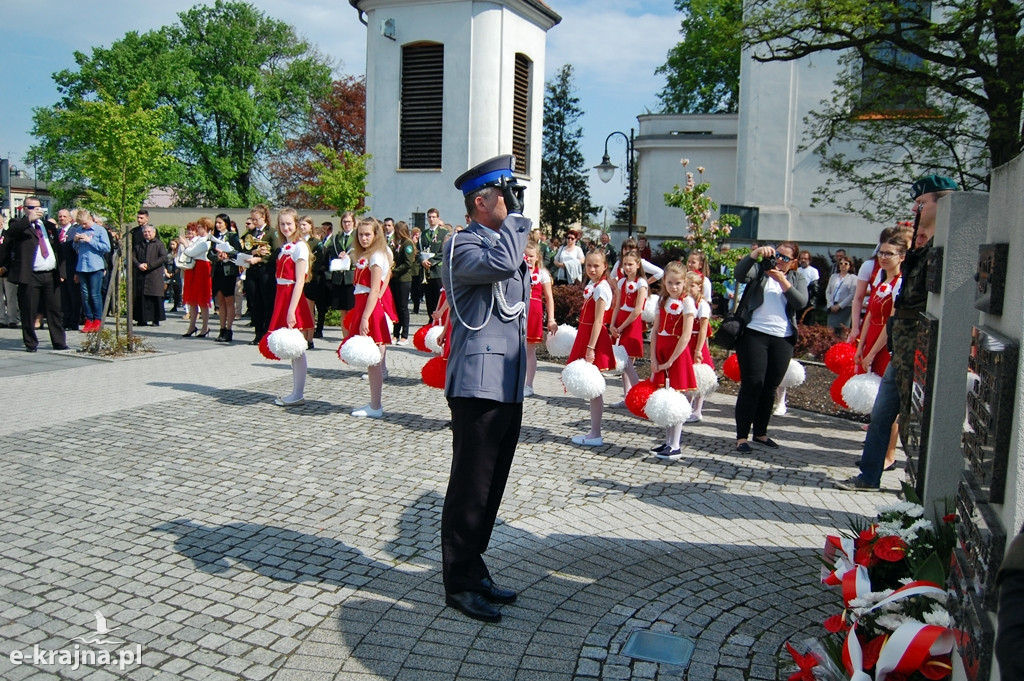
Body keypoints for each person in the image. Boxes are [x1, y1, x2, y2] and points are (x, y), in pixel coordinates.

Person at [440, 154, 530, 623]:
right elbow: (502, 264)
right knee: (470, 487)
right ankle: (458, 583)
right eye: (506, 194)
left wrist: (510, 224)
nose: (513, 203)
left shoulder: (500, 242)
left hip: (506, 383)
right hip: (477, 385)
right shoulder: (462, 245)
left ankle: (475, 570)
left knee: (491, 486)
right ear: (481, 201)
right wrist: (515, 222)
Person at [836, 175, 958, 491]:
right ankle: (869, 476)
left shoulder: (946, 244)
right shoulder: (926, 246)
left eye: (923, 202)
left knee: (914, 422)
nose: (917, 209)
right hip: (902, 348)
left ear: (941, 203)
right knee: (881, 416)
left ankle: (922, 488)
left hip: (918, 346)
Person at [732, 242, 808, 453]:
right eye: (776, 255)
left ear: (793, 262)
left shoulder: (796, 278)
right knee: (752, 384)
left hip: (782, 338)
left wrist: (782, 280)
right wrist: (754, 254)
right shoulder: (760, 270)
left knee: (770, 387)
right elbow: (740, 275)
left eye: (785, 258)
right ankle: (741, 437)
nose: (778, 260)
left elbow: (801, 302)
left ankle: (761, 433)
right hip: (754, 333)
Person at [1, 197, 68, 352]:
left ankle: (59, 342)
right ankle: (31, 343)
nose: (37, 210)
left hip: (50, 274)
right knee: (28, 310)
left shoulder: (49, 226)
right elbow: (10, 235)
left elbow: (59, 251)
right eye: (32, 207)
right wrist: (28, 220)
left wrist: (62, 272)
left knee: (55, 310)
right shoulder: (19, 226)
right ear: (24, 208)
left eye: (39, 207)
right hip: (30, 275)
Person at [342, 217, 393, 418]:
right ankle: (374, 402)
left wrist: (364, 317)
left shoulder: (377, 257)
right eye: (361, 234)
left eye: (367, 234)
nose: (363, 238)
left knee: (374, 360)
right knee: (372, 361)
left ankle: (376, 404)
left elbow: (374, 290)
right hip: (363, 305)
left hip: (369, 308)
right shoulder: (366, 255)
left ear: (376, 235)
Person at [263, 207, 313, 407]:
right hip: (282, 295)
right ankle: (295, 391)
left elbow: (300, 280)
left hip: (293, 297)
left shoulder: (300, 247)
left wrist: (292, 309)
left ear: (296, 223)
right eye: (282, 224)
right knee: (293, 350)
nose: (285, 227)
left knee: (297, 348)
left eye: (289, 224)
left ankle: (298, 393)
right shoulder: (285, 247)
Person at [566, 249, 616, 446]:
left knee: (595, 387)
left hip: (593, 338)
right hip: (587, 334)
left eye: (596, 265)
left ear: (605, 266)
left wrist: (590, 347)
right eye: (588, 265)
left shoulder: (602, 288)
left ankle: (595, 433)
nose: (592, 269)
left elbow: (598, 321)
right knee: (593, 388)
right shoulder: (594, 285)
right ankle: (594, 431)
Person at [649, 261, 697, 459]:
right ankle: (668, 441)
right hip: (661, 353)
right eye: (670, 283)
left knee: (676, 399)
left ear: (684, 282)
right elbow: (655, 331)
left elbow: (686, 336)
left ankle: (675, 444)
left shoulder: (688, 302)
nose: (673, 287)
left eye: (677, 283)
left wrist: (671, 360)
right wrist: (652, 357)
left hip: (677, 356)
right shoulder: (662, 302)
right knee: (666, 398)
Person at [608, 250, 648, 409]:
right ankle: (627, 397)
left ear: (638, 265)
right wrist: (612, 324)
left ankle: (640, 395)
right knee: (623, 364)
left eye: (630, 264)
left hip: (631, 323)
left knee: (628, 363)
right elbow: (617, 305)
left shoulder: (641, 283)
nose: (627, 267)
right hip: (620, 321)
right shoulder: (622, 282)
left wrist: (622, 326)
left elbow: (638, 310)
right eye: (625, 264)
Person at [68, 210, 111, 333]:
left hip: (95, 266)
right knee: (84, 295)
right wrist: (75, 242)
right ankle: (88, 319)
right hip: (82, 266)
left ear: (90, 219)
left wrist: (90, 240)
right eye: (81, 224)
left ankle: (98, 320)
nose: (83, 226)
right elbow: (75, 249)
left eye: (85, 223)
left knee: (94, 294)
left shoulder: (100, 230)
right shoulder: (79, 230)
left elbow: (106, 247)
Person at [243, 204, 280, 344]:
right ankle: (258, 332)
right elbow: (244, 248)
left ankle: (266, 332)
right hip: (252, 271)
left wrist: (260, 258)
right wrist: (253, 253)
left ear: (263, 217)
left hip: (266, 271)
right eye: (252, 219)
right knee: (254, 302)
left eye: (256, 219)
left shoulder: (271, 232)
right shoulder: (250, 233)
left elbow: (276, 251)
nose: (253, 222)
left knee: (267, 302)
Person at [524, 240, 556, 396]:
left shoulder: (542, 273)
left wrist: (551, 319)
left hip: (534, 312)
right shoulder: (518, 270)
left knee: (530, 349)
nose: (528, 258)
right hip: (518, 311)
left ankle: (528, 384)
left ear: (537, 257)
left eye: (531, 256)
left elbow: (549, 298)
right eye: (525, 255)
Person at [686, 270, 714, 422]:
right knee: (689, 375)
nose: (689, 289)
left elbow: (703, 328)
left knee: (699, 376)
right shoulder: (686, 301)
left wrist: (698, 349)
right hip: (687, 340)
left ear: (699, 287)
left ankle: (697, 410)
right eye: (687, 285)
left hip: (696, 342)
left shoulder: (702, 305)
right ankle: (687, 406)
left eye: (693, 286)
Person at [210, 213, 242, 342]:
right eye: (216, 222)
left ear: (226, 224)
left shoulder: (232, 236)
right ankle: (221, 328)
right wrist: (216, 257)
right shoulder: (215, 236)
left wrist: (227, 254)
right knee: (220, 300)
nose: (218, 225)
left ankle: (229, 329)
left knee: (229, 300)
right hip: (218, 270)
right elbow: (209, 253)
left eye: (220, 223)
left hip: (228, 271)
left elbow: (238, 251)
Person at [323, 211, 357, 322]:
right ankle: (345, 338)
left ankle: (352, 337)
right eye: (344, 222)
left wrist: (349, 258)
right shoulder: (337, 237)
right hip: (339, 277)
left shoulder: (357, 236)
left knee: (352, 310)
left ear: (353, 222)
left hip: (351, 277)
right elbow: (331, 255)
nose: (347, 224)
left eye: (349, 222)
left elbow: (361, 254)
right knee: (343, 311)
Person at [182, 217, 213, 337]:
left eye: (199, 227)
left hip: (202, 269)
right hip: (194, 268)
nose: (197, 229)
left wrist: (185, 245)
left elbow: (191, 252)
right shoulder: (199, 239)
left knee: (202, 300)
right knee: (192, 300)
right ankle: (192, 326)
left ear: (205, 228)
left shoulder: (206, 241)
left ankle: (205, 327)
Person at [132, 224, 168, 326]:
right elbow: (132, 256)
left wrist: (150, 265)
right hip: (141, 274)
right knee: (142, 298)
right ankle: (141, 319)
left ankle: (155, 319)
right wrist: (138, 264)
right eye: (145, 232)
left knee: (154, 297)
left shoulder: (159, 244)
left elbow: (163, 257)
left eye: (149, 232)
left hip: (154, 274)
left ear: (154, 233)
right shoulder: (139, 244)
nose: (147, 234)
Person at [418, 208, 449, 317]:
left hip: (437, 270)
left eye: (434, 217)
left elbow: (444, 251)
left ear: (438, 218)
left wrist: (431, 261)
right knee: (429, 298)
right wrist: (422, 261)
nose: (431, 219)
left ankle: (439, 319)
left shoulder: (443, 232)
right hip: (426, 271)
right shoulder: (423, 234)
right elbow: (418, 251)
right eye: (429, 217)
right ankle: (430, 319)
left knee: (438, 297)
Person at [389, 220, 416, 344]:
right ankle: (395, 333)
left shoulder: (407, 243)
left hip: (404, 279)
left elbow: (408, 263)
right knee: (396, 307)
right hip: (395, 280)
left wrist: (394, 272)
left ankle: (404, 335)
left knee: (403, 307)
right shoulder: (397, 243)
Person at [55, 209, 82, 331]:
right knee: (64, 297)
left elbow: (77, 252)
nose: (62, 218)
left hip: (72, 268)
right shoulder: (57, 232)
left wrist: (77, 271)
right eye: (60, 216)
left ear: (70, 219)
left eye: (64, 216)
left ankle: (73, 321)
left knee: (74, 297)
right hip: (60, 268)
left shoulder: (75, 232)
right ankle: (65, 321)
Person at [825, 255, 857, 335]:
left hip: (845, 308)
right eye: (841, 263)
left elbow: (852, 294)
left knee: (843, 331)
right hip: (833, 306)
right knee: (830, 330)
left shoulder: (853, 278)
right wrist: (830, 304)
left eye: (845, 264)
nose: (843, 265)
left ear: (850, 266)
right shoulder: (833, 276)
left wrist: (840, 306)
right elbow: (828, 291)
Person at [0, 212, 21, 329]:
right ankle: (1, 319)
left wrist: (5, 267)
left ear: (2, 222)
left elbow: (12, 253)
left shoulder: (8, 235)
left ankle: (13, 319)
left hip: (8, 270)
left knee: (11, 296)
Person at [796, 250, 820, 323]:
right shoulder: (796, 270)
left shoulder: (813, 271)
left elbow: (815, 288)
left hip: (809, 299)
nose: (803, 260)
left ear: (809, 260)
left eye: (805, 259)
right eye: (801, 258)